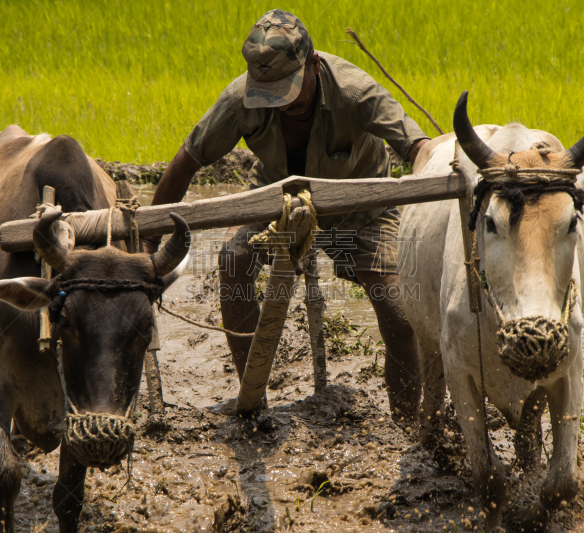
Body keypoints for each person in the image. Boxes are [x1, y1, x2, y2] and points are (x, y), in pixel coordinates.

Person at [146, 9, 429, 421]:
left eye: (288, 89)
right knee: (232, 259)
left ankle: (407, 423)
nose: (281, 102)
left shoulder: (354, 91)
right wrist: (150, 245)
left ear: (313, 64)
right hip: (278, 196)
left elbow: (417, 147)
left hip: (361, 204)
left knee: (398, 312)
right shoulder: (239, 98)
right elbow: (186, 162)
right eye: (270, 92)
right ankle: (252, 399)